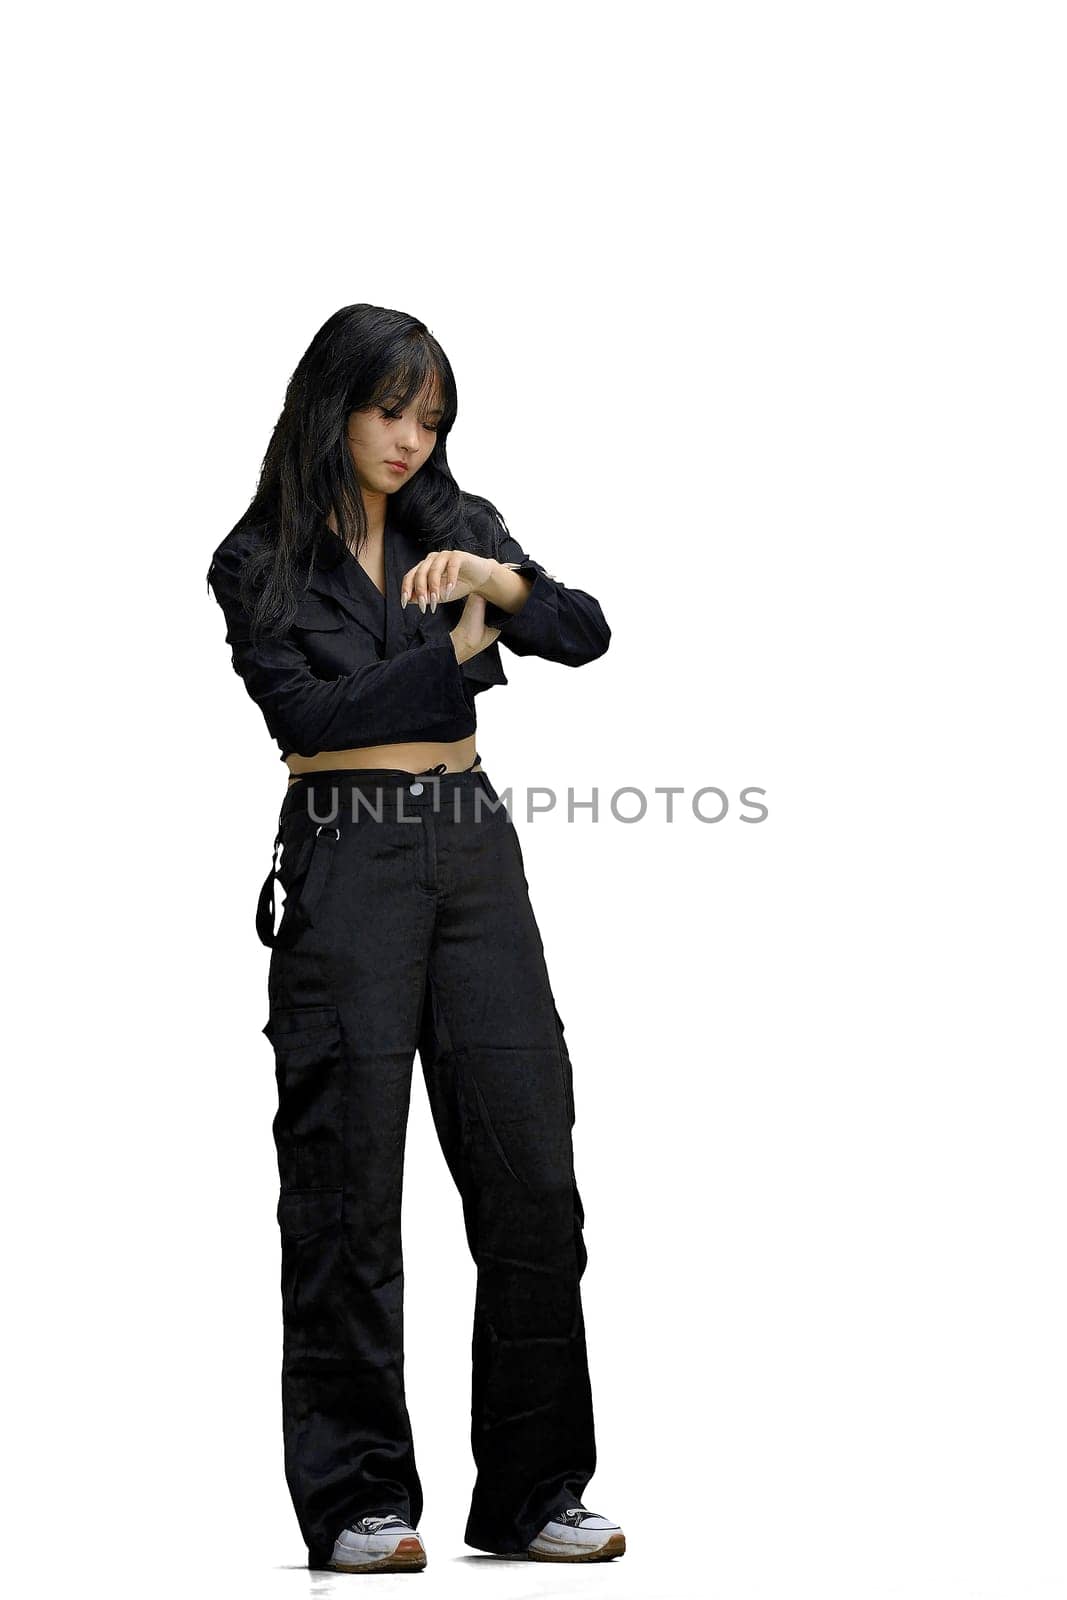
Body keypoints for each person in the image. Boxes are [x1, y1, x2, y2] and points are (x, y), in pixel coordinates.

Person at [205, 303, 624, 1573]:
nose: (408, 439)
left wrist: (499, 585)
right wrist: (457, 648)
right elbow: (312, 713)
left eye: (430, 417)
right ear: (331, 404)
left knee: (531, 1172)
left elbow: (583, 628)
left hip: (471, 848)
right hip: (345, 854)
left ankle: (535, 1489)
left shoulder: (457, 521)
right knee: (346, 1189)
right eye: (390, 411)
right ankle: (356, 1500)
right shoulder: (256, 558)